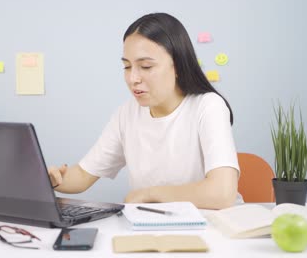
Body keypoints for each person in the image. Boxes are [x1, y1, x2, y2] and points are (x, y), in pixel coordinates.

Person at [48, 12, 240, 209]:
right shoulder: (126, 114)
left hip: (211, 229)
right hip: (153, 226)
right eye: (127, 67)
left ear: (178, 66)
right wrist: (51, 180)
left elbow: (222, 193)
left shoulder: (208, 106)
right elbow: (82, 175)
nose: (133, 79)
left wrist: (149, 194)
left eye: (146, 66)